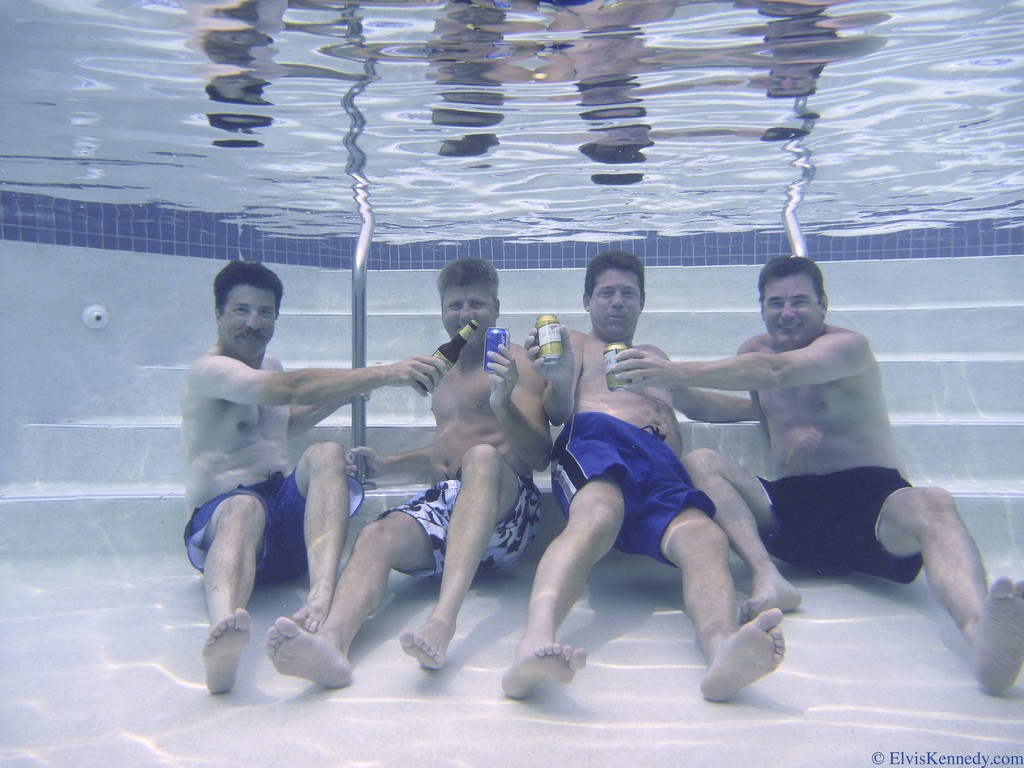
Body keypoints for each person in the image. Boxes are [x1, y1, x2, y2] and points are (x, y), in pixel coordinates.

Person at [613, 254, 1024, 693]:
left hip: (871, 504)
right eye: (775, 303)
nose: (787, 312)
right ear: (761, 308)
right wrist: (662, 386)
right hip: (794, 508)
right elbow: (729, 405)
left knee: (933, 502)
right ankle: (767, 574)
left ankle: (981, 636)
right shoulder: (752, 353)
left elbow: (778, 372)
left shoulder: (848, 347)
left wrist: (672, 370)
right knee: (701, 462)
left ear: (823, 305)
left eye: (800, 301)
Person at [501, 250, 785, 703]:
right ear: (588, 301)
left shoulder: (655, 356)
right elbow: (556, 411)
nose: (617, 302)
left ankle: (721, 649)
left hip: (661, 467)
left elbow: (699, 404)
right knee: (598, 515)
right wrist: (560, 378)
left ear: (642, 302)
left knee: (706, 538)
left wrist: (765, 408)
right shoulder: (577, 344)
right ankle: (532, 643)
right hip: (598, 444)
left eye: (627, 293)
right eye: (606, 293)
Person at [265, 257, 552, 687]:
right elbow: (445, 451)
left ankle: (443, 620)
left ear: (496, 308)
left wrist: (503, 402)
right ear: (442, 312)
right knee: (374, 536)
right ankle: (331, 644)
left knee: (482, 457)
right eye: (455, 305)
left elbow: (539, 455)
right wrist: (388, 465)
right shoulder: (444, 372)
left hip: (508, 517)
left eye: (477, 304)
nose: (466, 314)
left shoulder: (515, 365)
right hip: (451, 509)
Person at [182, 260, 447, 694]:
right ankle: (224, 630)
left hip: (281, 515)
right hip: (227, 519)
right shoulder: (210, 371)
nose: (254, 323)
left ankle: (321, 595)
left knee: (326, 452)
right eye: (241, 310)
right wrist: (386, 373)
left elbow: (287, 424)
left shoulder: (269, 363)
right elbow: (289, 389)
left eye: (265, 312)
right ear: (218, 314)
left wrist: (355, 389)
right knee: (245, 506)